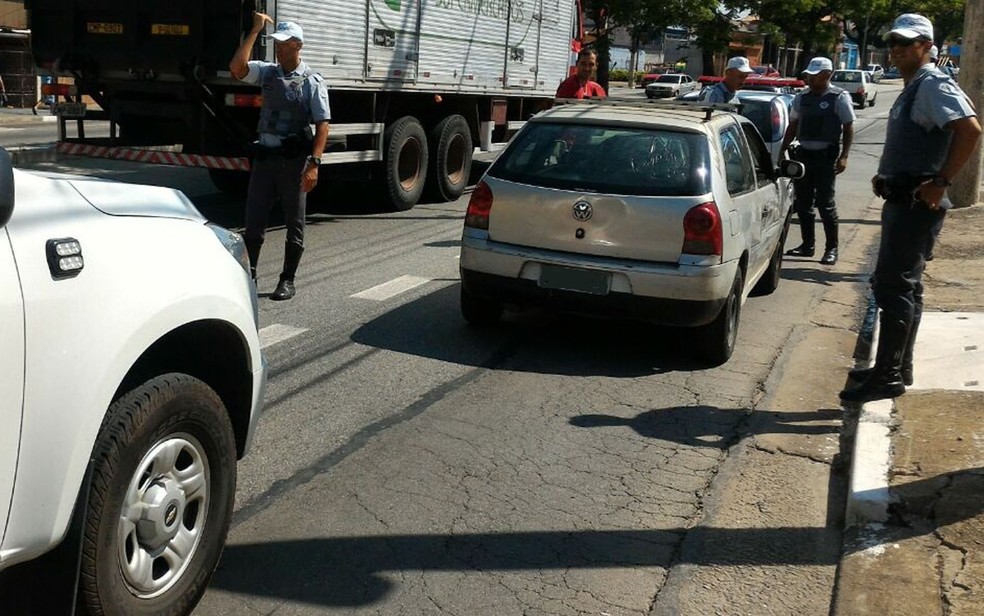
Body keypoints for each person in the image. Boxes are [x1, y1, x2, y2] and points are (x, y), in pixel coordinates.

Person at [840, 13, 981, 403]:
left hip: (917, 206)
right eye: (893, 42)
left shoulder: (932, 84)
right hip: (903, 198)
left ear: (926, 45)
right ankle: (897, 368)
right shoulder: (916, 84)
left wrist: (940, 183)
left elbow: (970, 130)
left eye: (906, 41)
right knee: (905, 287)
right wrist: (888, 175)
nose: (897, 48)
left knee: (893, 286)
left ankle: (888, 375)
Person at [229, 13, 330, 301]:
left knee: (294, 223)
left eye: (285, 43)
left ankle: (287, 279)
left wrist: (314, 164)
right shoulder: (268, 72)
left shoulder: (311, 81)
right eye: (277, 42)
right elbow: (237, 68)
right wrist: (255, 30)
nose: (279, 47)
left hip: (293, 163)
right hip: (265, 160)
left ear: (298, 45)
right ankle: (250, 275)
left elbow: (323, 125)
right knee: (254, 222)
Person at [779, 56, 855, 265]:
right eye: (808, 76)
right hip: (803, 156)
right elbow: (793, 125)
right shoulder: (802, 98)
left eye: (814, 76)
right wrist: (783, 149)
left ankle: (832, 249)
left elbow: (848, 126)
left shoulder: (839, 97)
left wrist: (844, 156)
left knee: (826, 205)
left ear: (827, 75)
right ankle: (807, 245)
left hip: (826, 158)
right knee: (803, 204)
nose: (810, 80)